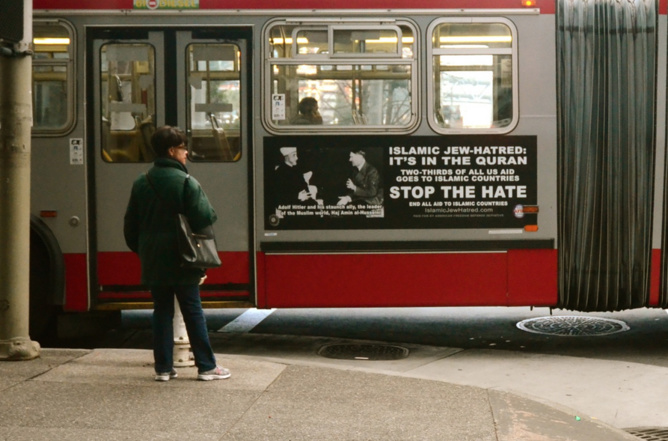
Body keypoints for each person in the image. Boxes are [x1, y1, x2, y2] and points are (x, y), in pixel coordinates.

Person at [124, 125, 230, 382]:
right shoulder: (186, 182)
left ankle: (163, 368)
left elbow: (130, 227)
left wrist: (145, 250)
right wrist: (204, 259)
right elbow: (205, 219)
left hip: (153, 257)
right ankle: (206, 366)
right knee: (192, 309)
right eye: (183, 148)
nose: (186, 153)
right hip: (183, 257)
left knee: (161, 310)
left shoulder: (142, 182)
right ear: (172, 151)